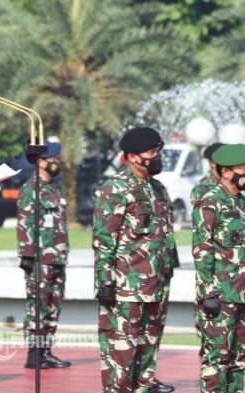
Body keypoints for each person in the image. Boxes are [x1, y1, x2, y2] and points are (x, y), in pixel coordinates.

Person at [93, 127, 177, 392]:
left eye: (158, 151)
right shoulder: (114, 188)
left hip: (157, 283)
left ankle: (143, 385)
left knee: (149, 344)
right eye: (152, 152)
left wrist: (169, 267)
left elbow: (165, 232)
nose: (157, 156)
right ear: (131, 156)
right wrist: (105, 282)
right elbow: (104, 240)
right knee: (121, 348)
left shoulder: (157, 188)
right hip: (126, 286)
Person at [192, 144, 245, 393]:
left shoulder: (243, 204)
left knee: (240, 357)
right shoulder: (210, 203)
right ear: (227, 172)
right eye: (244, 169)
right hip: (220, 297)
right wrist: (208, 293)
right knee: (217, 358)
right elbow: (202, 250)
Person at [16, 140, 71, 369]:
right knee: (37, 306)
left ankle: (46, 350)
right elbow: (25, 222)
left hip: (56, 257)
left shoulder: (53, 189)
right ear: (41, 162)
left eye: (57, 160)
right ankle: (34, 352)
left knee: (52, 305)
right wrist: (27, 255)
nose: (56, 163)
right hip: (39, 259)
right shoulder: (32, 189)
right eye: (52, 160)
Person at [190, 142, 224, 358]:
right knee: (210, 316)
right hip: (212, 265)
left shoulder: (230, 189)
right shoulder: (204, 190)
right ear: (213, 163)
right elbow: (203, 237)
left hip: (233, 269)